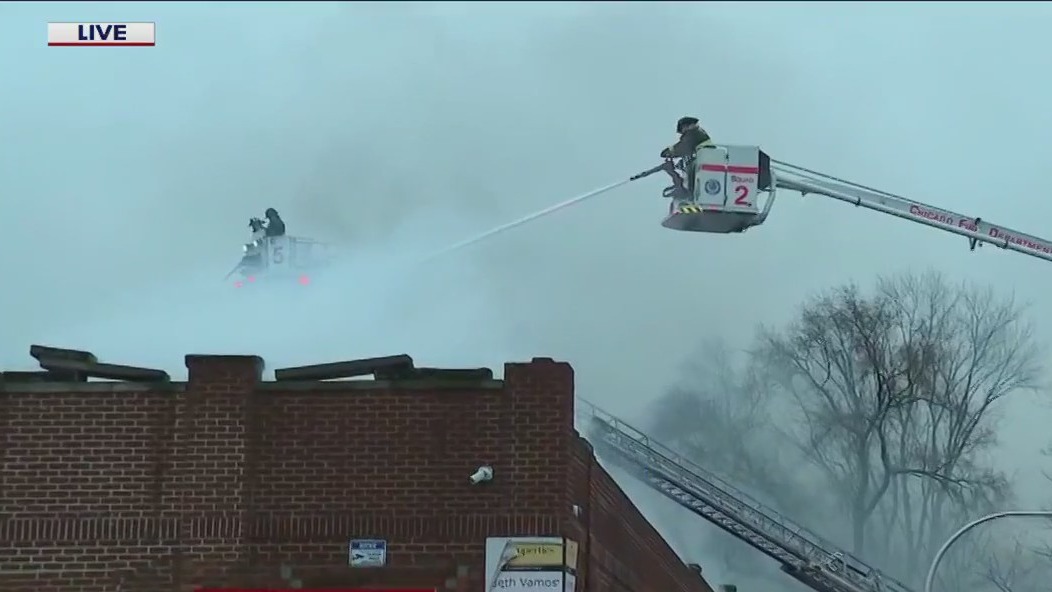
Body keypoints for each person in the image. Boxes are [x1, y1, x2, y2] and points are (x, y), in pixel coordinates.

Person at [660, 116, 714, 199]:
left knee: (691, 171)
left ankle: (690, 194)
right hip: (705, 160)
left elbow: (682, 148)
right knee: (687, 167)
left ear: (688, 126)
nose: (683, 132)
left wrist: (668, 152)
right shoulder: (699, 133)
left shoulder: (694, 134)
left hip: (704, 161)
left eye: (683, 129)